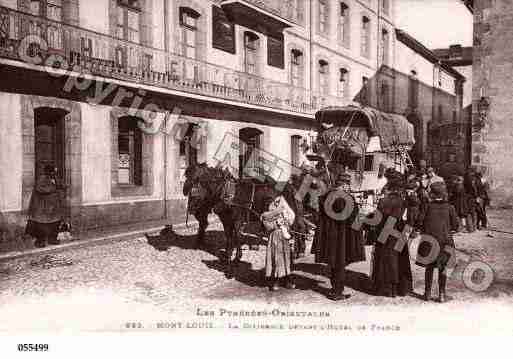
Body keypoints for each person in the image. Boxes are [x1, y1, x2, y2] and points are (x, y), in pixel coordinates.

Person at [311, 170, 365, 301]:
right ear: (344, 184)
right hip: (341, 237)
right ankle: (337, 292)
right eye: (347, 184)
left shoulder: (327, 195)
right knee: (340, 264)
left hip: (329, 236)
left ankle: (335, 289)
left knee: (334, 264)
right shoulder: (343, 198)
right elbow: (351, 218)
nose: (348, 187)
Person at [369, 171, 413, 297]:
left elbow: (376, 219)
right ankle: (400, 288)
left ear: (389, 187)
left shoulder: (383, 201)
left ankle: (385, 288)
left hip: (385, 232)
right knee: (399, 258)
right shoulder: (403, 201)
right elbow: (406, 219)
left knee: (384, 258)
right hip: (399, 231)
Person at [416, 182, 459, 303]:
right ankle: (442, 295)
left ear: (432, 194)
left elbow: (419, 221)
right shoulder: (450, 207)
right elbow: (456, 225)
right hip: (445, 242)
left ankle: (427, 293)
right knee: (443, 268)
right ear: (444, 193)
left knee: (429, 267)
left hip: (428, 241)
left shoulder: (427, 206)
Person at [261, 191, 296, 291]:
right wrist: (275, 223)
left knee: (286, 256)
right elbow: (265, 221)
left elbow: (291, 216)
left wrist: (286, 221)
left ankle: (287, 279)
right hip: (275, 234)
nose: (276, 199)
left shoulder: (284, 203)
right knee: (275, 257)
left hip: (285, 234)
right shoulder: (268, 204)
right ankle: (275, 280)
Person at [26, 165, 64, 248]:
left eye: (54, 172)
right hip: (42, 207)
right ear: (48, 172)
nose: (54, 173)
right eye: (53, 172)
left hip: (53, 207)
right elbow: (40, 189)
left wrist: (58, 184)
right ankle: (40, 241)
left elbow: (59, 185)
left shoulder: (53, 178)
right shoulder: (42, 178)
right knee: (41, 224)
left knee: (55, 222)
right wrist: (52, 188)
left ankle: (52, 239)